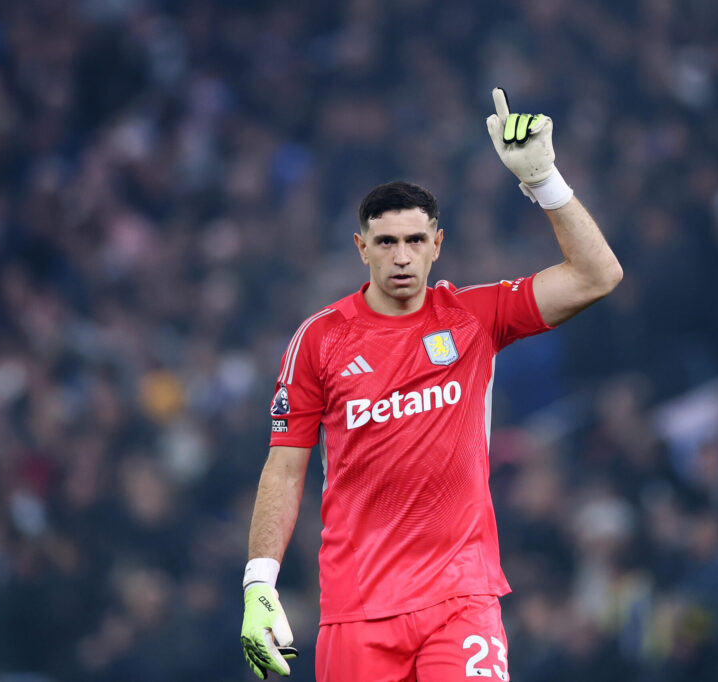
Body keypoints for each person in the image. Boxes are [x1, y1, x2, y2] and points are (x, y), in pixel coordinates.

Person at [240, 89, 623, 681]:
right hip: (358, 609)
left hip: (461, 599)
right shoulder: (319, 340)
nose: (402, 256)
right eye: (386, 242)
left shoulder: (473, 315)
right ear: (361, 248)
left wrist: (544, 181)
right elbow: (286, 466)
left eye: (416, 241)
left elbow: (598, 276)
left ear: (437, 246)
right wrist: (259, 581)